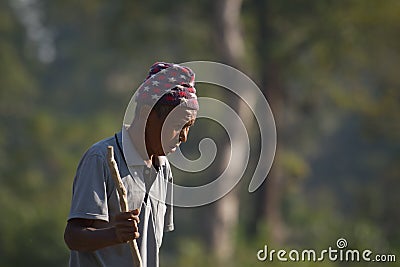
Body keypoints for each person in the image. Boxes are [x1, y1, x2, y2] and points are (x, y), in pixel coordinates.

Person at [64, 62, 199, 267]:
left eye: (188, 127)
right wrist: (113, 234)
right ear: (146, 113)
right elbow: (73, 237)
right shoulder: (100, 159)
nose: (184, 137)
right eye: (178, 125)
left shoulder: (163, 169)